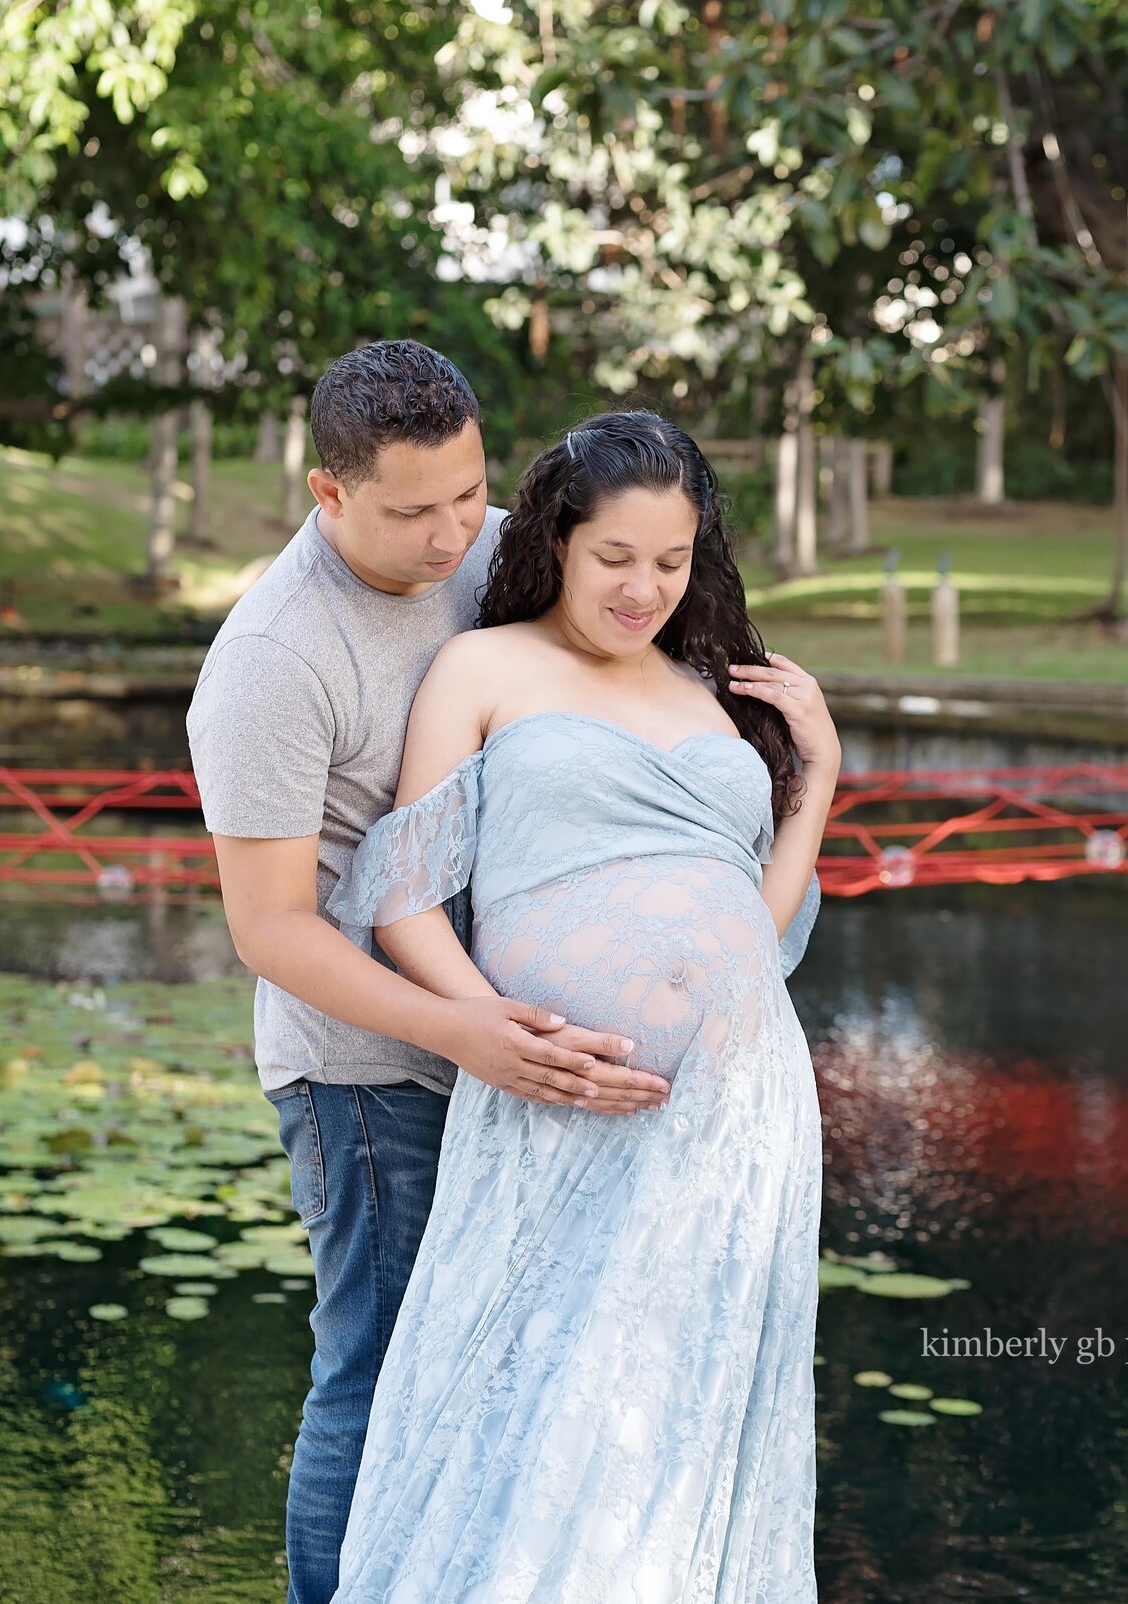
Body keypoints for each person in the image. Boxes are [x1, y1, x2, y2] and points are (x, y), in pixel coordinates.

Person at [187, 343, 673, 1604]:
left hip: (515, 1040)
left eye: (471, 490)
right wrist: (464, 1029)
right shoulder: (272, 661)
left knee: (508, 1360)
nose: (457, 530)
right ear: (327, 492)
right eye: (415, 510)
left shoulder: (498, 550)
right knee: (379, 1361)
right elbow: (273, 927)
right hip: (364, 1073)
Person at [322, 410, 836, 1602]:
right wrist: (493, 1032)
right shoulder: (483, 667)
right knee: (535, 1404)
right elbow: (402, 903)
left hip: (734, 1117)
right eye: (615, 558)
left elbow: (746, 937)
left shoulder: (710, 689)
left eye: (671, 560)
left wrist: (817, 785)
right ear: (556, 537)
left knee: (676, 1421)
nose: (643, 588)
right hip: (550, 1094)